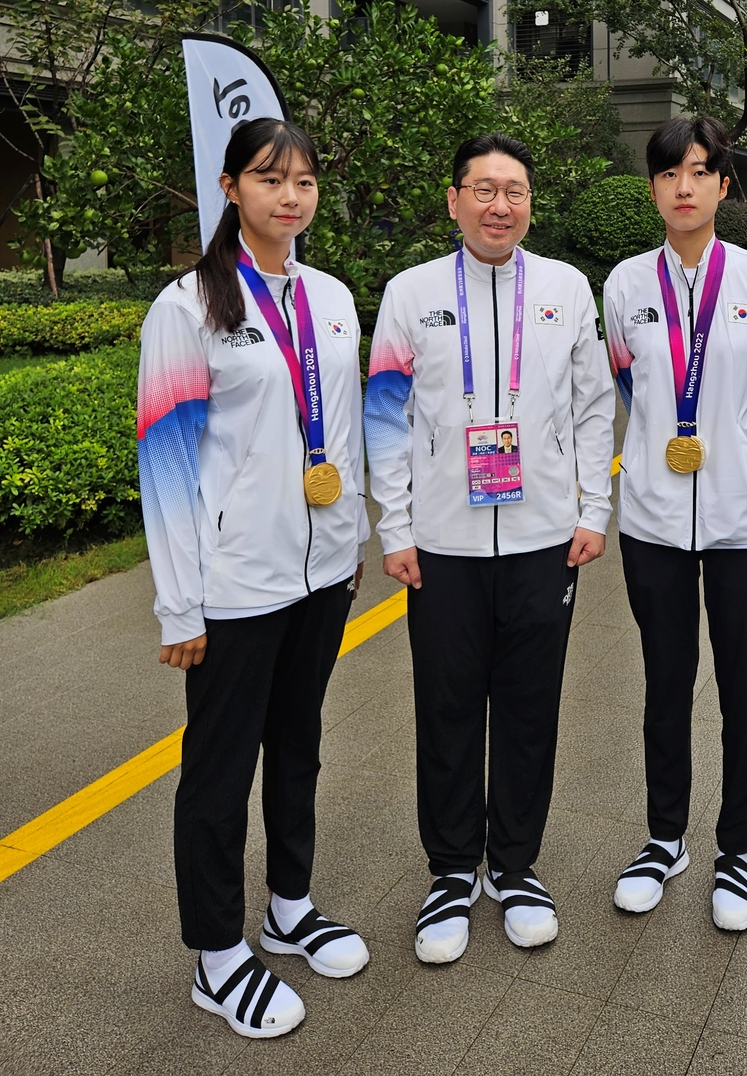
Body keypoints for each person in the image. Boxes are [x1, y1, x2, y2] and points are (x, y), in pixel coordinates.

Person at [138, 117, 370, 1038]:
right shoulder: (189, 305)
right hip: (232, 584)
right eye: (271, 178)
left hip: (318, 574)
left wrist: (347, 542)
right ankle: (217, 955)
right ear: (231, 188)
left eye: (305, 180)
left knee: (300, 743)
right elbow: (165, 461)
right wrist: (179, 603)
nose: (291, 195)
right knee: (219, 769)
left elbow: (340, 429)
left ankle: (289, 905)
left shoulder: (334, 298)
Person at [364, 133, 614, 964]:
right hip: (442, 546)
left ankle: (513, 865)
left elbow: (591, 407)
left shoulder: (568, 289)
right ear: (454, 200)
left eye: (515, 191)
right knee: (445, 705)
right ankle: (449, 871)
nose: (499, 205)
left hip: (546, 539)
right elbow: (385, 421)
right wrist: (395, 527)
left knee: (530, 705)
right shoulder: (410, 294)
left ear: (530, 204)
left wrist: (594, 509)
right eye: (484, 189)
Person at [603, 116, 747, 931]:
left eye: (699, 172)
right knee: (664, 684)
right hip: (651, 524)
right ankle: (664, 836)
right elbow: (628, 392)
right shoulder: (621, 286)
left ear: (723, 184)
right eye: (668, 173)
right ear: (652, 188)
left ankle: (738, 852)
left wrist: (745, 460)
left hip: (745, 523)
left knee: (745, 692)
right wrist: (660, 455)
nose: (683, 187)